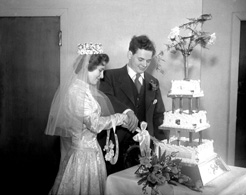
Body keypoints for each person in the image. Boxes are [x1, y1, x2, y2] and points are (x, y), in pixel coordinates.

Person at [45, 44, 128, 195]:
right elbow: (95, 125)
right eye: (100, 70)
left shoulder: (82, 90)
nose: (102, 76)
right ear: (87, 67)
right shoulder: (77, 93)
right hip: (84, 157)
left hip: (90, 153)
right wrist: (120, 118)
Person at [98, 35, 169, 175]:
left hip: (145, 150)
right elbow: (106, 99)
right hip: (115, 148)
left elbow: (158, 115)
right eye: (140, 59)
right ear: (129, 54)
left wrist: (162, 144)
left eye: (148, 61)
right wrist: (127, 111)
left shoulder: (153, 82)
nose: (144, 65)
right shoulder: (109, 76)